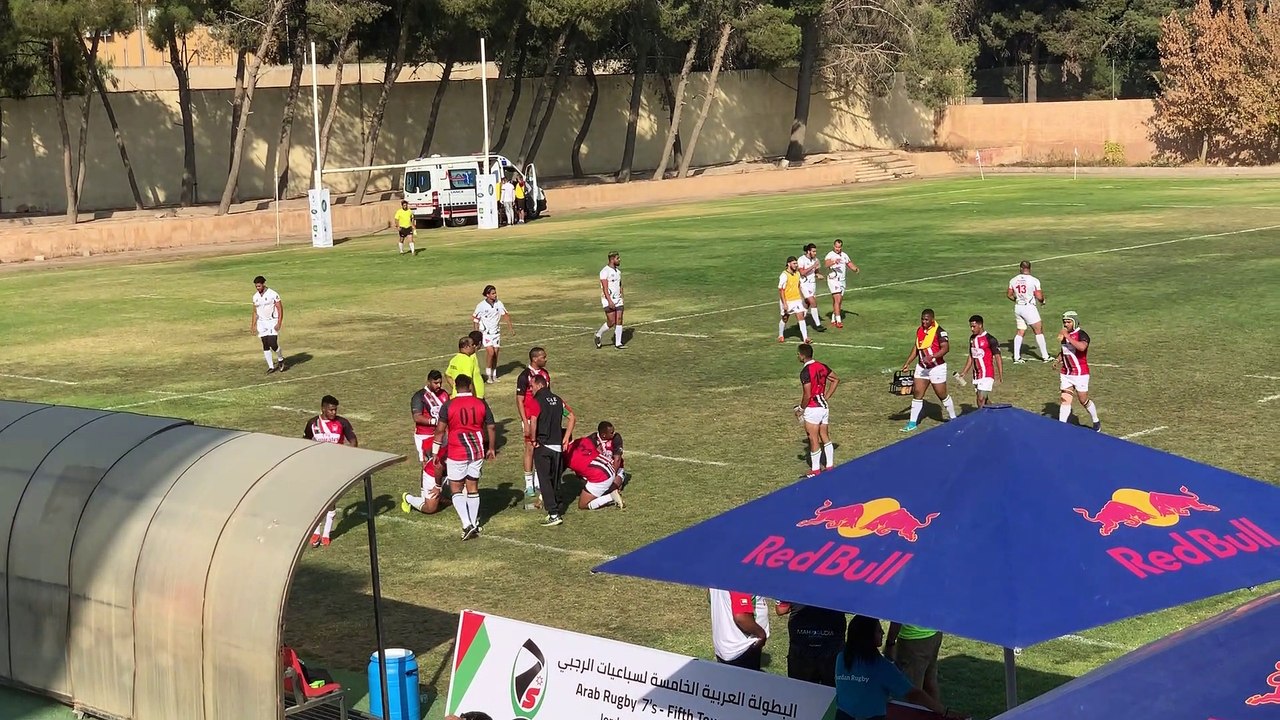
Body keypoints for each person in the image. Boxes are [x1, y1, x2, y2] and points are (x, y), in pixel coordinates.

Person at [834, 616, 953, 720]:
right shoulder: (883, 667)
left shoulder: (841, 658)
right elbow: (914, 694)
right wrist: (944, 711)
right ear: (867, 636)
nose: (883, 632)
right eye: (878, 630)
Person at [431, 374, 496, 540]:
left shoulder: (449, 405)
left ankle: (467, 524)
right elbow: (491, 426)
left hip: (456, 452)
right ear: (469, 386)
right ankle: (473, 524)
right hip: (477, 451)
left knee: (456, 488)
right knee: (473, 487)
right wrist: (492, 448)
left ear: (456, 387)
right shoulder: (480, 402)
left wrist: (435, 451)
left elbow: (439, 430)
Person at [303, 395, 358, 547]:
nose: (334, 412)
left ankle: (326, 533)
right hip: (316, 466)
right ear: (323, 409)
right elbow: (304, 441)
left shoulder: (342, 423)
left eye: (335, 410)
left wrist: (346, 455)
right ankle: (315, 532)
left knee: (331, 499)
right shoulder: (312, 424)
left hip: (335, 466)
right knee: (316, 498)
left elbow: (353, 441)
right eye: (331, 409)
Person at [900, 309, 957, 432]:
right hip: (922, 367)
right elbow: (917, 347)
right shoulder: (920, 330)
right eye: (922, 319)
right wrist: (908, 362)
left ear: (932, 319)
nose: (924, 321)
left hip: (936, 367)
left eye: (926, 319)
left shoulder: (940, 332)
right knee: (917, 393)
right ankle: (912, 423)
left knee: (941, 394)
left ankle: (953, 418)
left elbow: (946, 348)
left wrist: (933, 356)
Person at [530, 373, 575, 527]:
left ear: (539, 385)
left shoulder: (536, 401)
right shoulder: (557, 400)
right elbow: (572, 417)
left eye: (532, 386)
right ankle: (558, 503)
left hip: (543, 444)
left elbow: (534, 420)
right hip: (557, 446)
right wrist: (566, 437)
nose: (531, 389)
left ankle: (553, 513)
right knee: (555, 479)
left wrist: (533, 439)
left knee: (544, 480)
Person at [775, 602, 845, 686]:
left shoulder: (795, 588)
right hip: (831, 648)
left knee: (800, 691)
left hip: (802, 647)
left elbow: (781, 610)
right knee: (832, 693)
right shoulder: (841, 589)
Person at [796, 343, 840, 477]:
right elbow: (835, 379)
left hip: (813, 408)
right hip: (823, 407)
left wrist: (801, 408)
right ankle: (830, 465)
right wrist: (825, 397)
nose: (798, 356)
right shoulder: (822, 366)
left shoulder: (805, 372)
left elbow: (807, 394)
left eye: (798, 354)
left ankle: (815, 470)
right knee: (825, 436)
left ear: (802, 356)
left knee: (813, 438)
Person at [515, 347, 551, 506]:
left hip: (544, 418)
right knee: (530, 447)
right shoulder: (524, 376)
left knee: (542, 447)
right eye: (543, 357)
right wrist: (525, 421)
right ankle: (529, 483)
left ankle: (538, 480)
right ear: (535, 359)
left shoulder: (545, 374)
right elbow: (519, 400)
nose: (546, 359)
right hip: (530, 418)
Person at [1055, 310, 1101, 431]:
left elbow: (1081, 347)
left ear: (1074, 322)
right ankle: (1061, 427)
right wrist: (1058, 359)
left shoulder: (1082, 334)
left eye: (1069, 322)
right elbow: (1065, 350)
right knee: (1065, 399)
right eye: (1064, 322)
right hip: (1066, 372)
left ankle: (1096, 421)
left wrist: (1067, 336)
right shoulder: (1065, 334)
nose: (1066, 324)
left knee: (1083, 400)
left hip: (1080, 373)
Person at [567, 422, 626, 511]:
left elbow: (617, 460)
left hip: (615, 470)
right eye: (611, 432)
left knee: (611, 487)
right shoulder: (592, 439)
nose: (614, 434)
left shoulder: (616, 438)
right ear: (603, 435)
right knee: (602, 489)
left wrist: (612, 476)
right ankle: (605, 494)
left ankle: (607, 494)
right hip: (598, 471)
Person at [709, 589, 769, 671]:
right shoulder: (739, 579)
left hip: (725, 644)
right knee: (745, 682)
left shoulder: (718, 576)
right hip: (742, 647)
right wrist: (761, 634)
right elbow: (741, 617)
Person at [885, 623, 944, 703]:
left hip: (913, 640)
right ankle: (936, 713)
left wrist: (890, 642)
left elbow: (898, 615)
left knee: (908, 691)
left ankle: (909, 714)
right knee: (929, 679)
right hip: (934, 632)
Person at [1007, 260, 1050, 363]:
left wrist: (1017, 300)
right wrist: (1043, 301)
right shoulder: (1034, 280)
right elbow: (1039, 296)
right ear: (1030, 268)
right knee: (1038, 330)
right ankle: (1045, 356)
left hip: (1018, 307)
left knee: (1020, 331)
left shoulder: (1013, 280)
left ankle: (1016, 357)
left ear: (1020, 268)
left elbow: (1009, 294)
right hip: (1029, 307)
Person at [956, 315, 1003, 409]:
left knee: (980, 399)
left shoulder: (990, 339)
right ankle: (996, 414)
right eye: (971, 326)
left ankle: (982, 422)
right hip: (977, 374)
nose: (972, 329)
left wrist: (1000, 374)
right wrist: (964, 372)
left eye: (974, 326)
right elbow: (971, 356)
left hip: (987, 373)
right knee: (985, 400)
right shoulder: (972, 339)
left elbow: (998, 357)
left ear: (980, 325)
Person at [472, 285, 514, 383]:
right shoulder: (481, 306)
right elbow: (475, 319)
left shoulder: (499, 304)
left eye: (495, 293)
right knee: (490, 353)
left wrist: (510, 328)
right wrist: (476, 333)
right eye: (493, 293)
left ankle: (494, 375)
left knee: (496, 354)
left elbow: (506, 315)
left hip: (496, 333)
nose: (495, 295)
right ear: (487, 295)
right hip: (486, 333)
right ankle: (488, 376)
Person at [410, 370, 449, 462]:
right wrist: (435, 422)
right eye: (435, 383)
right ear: (428, 382)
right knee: (427, 464)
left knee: (443, 461)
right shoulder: (419, 396)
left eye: (440, 383)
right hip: (425, 435)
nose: (438, 385)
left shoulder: (444, 394)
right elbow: (417, 417)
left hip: (441, 434)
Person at [250, 275, 286, 374]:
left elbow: (279, 308)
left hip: (272, 321)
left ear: (263, 284)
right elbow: (254, 311)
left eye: (259, 286)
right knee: (265, 343)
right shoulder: (255, 297)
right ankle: (270, 366)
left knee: (272, 343)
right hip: (261, 322)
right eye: (256, 286)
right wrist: (253, 325)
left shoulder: (272, 294)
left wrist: (279, 322)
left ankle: (280, 358)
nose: (258, 288)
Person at [825, 239, 859, 328]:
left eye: (839, 247)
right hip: (834, 279)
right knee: (837, 299)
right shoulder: (830, 255)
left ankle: (833, 317)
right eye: (836, 247)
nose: (837, 249)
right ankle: (839, 321)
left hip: (842, 281)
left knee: (839, 302)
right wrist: (833, 261)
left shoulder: (844, 255)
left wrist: (855, 269)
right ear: (833, 246)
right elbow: (826, 264)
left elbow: (849, 263)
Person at [595, 251, 625, 350]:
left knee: (619, 319)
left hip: (618, 299)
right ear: (612, 259)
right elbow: (604, 287)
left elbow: (620, 284)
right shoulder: (604, 272)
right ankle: (598, 335)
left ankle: (618, 343)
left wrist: (621, 294)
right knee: (611, 322)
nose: (619, 260)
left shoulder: (618, 272)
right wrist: (610, 301)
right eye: (618, 258)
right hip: (608, 300)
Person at [778, 256, 810, 343]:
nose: (796, 265)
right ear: (788, 264)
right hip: (787, 301)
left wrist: (803, 298)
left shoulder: (797, 274)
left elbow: (798, 286)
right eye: (794, 263)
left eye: (796, 263)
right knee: (785, 318)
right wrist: (784, 303)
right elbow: (781, 290)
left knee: (801, 316)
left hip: (797, 300)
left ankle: (805, 338)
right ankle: (781, 335)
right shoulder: (784, 275)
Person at [797, 243, 826, 332]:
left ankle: (800, 322)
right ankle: (818, 325)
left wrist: (819, 275)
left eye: (815, 251)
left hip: (812, 285)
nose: (815, 253)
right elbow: (802, 272)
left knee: (807, 304)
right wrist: (813, 266)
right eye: (813, 251)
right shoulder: (801, 260)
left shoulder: (816, 260)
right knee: (813, 303)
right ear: (808, 251)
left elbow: (816, 272)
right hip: (804, 284)